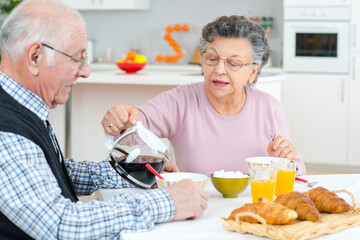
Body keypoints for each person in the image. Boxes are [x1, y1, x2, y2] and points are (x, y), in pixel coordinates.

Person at [0, 0, 208, 239]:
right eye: (77, 58)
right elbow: (61, 226)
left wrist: (132, 175)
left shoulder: (20, 108)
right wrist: (168, 202)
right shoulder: (6, 130)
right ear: (35, 57)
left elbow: (51, 172)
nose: (86, 71)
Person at [102, 15, 306, 176]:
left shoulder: (269, 107)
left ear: (252, 72)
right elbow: (136, 125)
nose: (219, 70)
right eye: (212, 58)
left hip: (257, 208)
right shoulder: (181, 101)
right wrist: (121, 119)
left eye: (233, 64)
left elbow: (296, 170)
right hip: (196, 210)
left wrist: (287, 160)